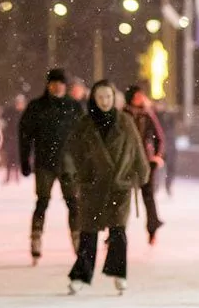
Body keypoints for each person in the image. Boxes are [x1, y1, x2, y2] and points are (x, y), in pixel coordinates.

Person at [64, 80, 150, 294]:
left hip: (119, 185)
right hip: (92, 186)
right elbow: (71, 152)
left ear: (114, 98)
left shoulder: (125, 122)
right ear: (94, 98)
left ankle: (119, 272)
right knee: (88, 233)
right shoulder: (84, 124)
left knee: (118, 231)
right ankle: (81, 275)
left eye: (108, 97)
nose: (104, 101)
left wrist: (142, 172)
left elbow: (136, 149)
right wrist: (73, 174)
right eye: (100, 97)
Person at [18, 67, 84, 262]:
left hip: (69, 164)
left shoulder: (74, 107)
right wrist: (25, 159)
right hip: (45, 162)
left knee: (73, 203)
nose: (57, 87)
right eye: (54, 83)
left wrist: (85, 160)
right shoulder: (37, 107)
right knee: (42, 201)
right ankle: (36, 238)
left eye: (61, 83)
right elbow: (25, 135)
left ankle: (77, 238)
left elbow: (85, 136)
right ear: (48, 85)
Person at [126, 89, 165, 243]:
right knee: (121, 197)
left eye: (141, 96)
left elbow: (159, 137)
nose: (139, 99)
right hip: (126, 161)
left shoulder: (147, 115)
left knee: (148, 196)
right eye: (136, 96)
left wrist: (157, 156)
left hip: (145, 161)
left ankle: (152, 228)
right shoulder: (123, 115)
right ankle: (115, 232)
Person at [0, 94, 26, 183]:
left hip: (19, 140)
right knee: (9, 159)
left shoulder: (24, 114)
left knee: (17, 159)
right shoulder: (11, 112)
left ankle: (17, 177)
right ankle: (8, 177)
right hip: (10, 139)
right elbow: (3, 118)